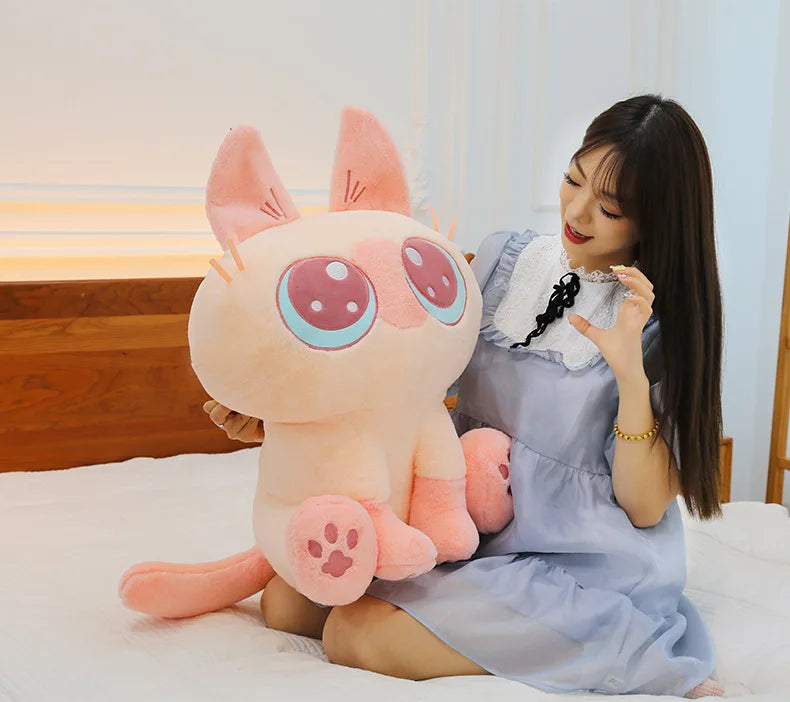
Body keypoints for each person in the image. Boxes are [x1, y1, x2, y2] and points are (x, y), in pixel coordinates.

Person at [205, 94, 725, 698]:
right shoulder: (506, 261)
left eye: (609, 207)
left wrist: (630, 373)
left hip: (579, 562)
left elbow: (644, 507)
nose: (578, 211)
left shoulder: (659, 324)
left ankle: (623, 649)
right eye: (573, 180)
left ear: (655, 219)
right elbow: (406, 378)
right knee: (287, 603)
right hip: (469, 525)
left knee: (354, 635)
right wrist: (280, 416)